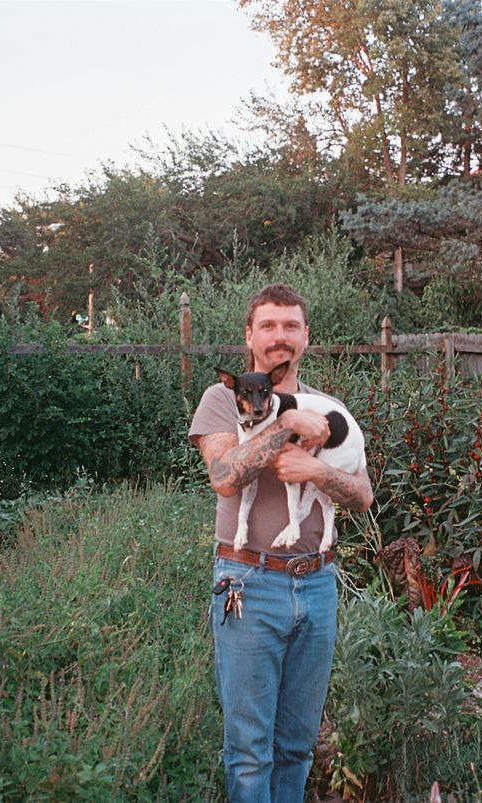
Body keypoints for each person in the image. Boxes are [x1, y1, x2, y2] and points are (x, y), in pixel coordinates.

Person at [189, 283, 374, 803]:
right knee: (250, 751)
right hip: (249, 583)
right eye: (268, 326)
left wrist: (316, 466)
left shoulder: (327, 407)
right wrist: (285, 424)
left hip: (317, 585)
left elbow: (362, 494)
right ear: (249, 336)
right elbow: (225, 475)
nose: (279, 336)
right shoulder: (222, 398)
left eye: (291, 326)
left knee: (297, 746)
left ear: (306, 337)